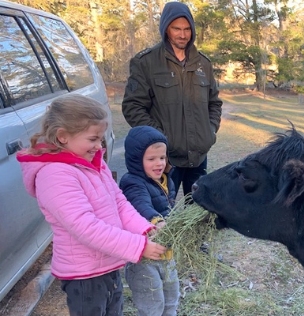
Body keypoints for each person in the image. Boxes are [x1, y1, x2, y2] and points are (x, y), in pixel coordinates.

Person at [16, 94, 166, 316]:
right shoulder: (54, 175)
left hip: (108, 264)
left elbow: (119, 203)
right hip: (84, 276)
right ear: (63, 136)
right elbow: (85, 227)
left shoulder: (93, 164)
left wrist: (145, 229)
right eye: (93, 139)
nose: (99, 146)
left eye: (101, 138)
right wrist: (139, 246)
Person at [122, 1, 223, 197]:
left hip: (199, 157)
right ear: (166, 28)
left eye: (187, 29)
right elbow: (132, 107)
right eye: (176, 28)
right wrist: (158, 140)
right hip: (165, 159)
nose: (182, 34)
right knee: (162, 215)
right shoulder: (146, 62)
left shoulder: (204, 63)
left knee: (198, 214)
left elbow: (214, 103)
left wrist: (209, 132)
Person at [118, 126, 179, 316]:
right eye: (151, 159)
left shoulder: (166, 179)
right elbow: (140, 204)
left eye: (162, 157)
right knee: (152, 305)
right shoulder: (133, 182)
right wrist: (156, 220)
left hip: (166, 254)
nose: (159, 163)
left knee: (171, 298)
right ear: (137, 161)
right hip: (144, 259)